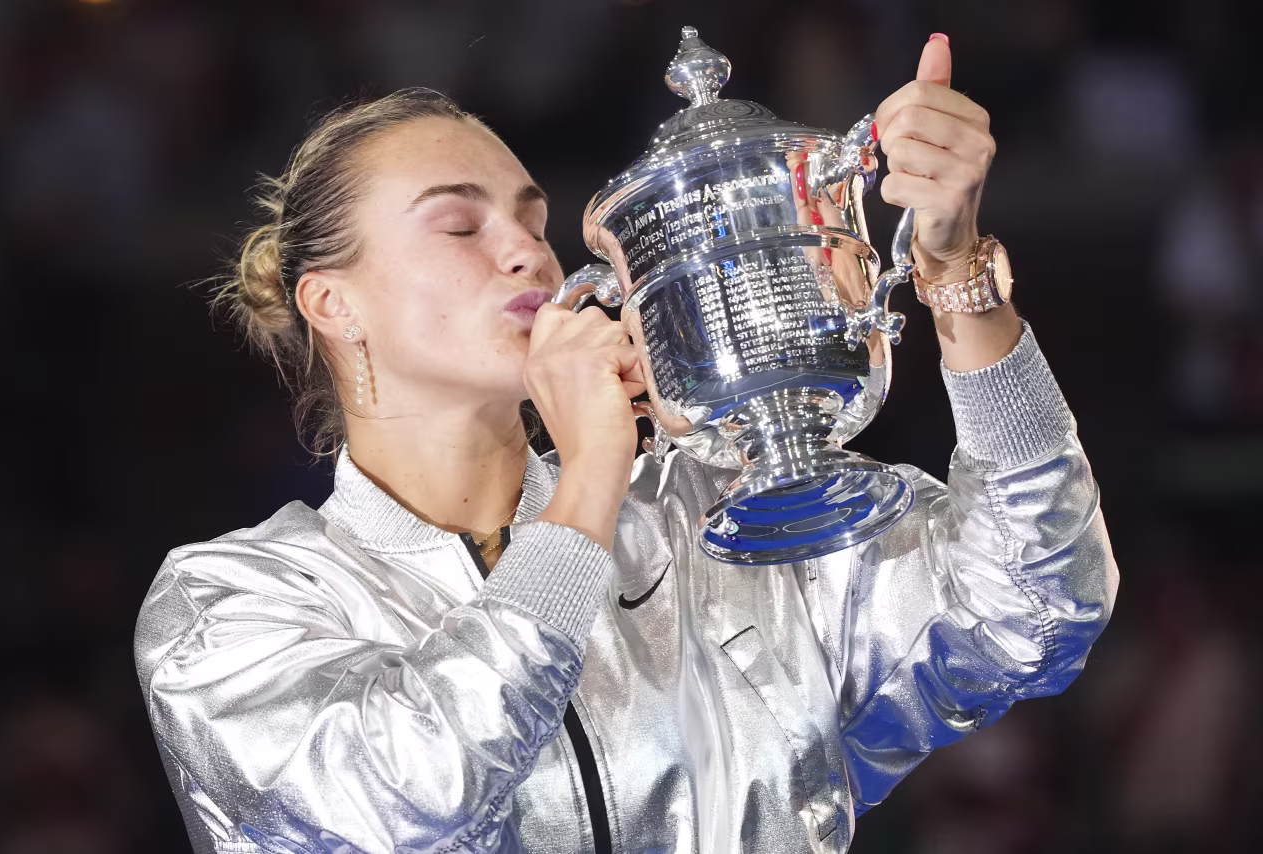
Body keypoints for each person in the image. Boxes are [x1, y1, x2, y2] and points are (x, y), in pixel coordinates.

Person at [134, 35, 1118, 854]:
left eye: (529, 219)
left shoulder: (708, 514)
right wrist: (591, 476)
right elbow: (410, 791)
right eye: (456, 226)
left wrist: (953, 273)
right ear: (332, 303)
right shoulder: (230, 602)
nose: (523, 248)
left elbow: (1038, 599)